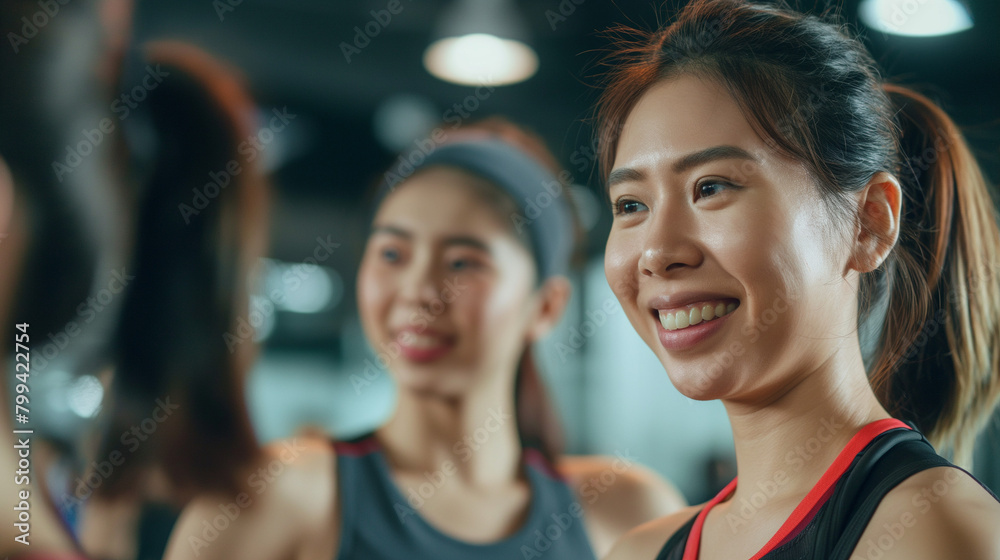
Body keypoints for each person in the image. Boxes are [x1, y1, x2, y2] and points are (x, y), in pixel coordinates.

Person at [164, 118, 685, 560]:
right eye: (392, 254)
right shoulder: (277, 496)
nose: (418, 291)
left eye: (462, 262)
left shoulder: (627, 515)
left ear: (546, 305)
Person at [596, 1, 1000, 559]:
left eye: (711, 187)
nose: (658, 253)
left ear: (869, 224)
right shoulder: (639, 552)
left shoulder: (932, 532)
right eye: (631, 203)